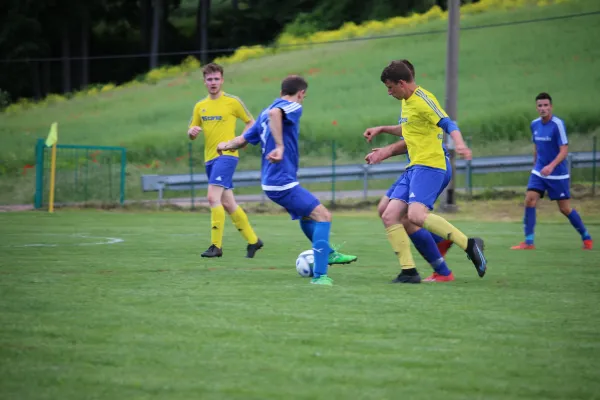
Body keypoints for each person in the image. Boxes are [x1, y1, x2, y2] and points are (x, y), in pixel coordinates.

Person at [216, 75, 357, 286]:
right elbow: (276, 114)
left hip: (273, 181)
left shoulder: (264, 112)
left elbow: (243, 139)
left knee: (308, 217)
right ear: (300, 93)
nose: (303, 100)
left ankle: (328, 253)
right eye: (304, 96)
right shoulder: (290, 107)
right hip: (281, 181)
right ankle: (320, 275)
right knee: (323, 216)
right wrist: (280, 147)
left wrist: (225, 145)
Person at [370, 60, 487, 283]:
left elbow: (448, 123)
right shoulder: (406, 100)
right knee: (389, 214)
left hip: (431, 166)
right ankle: (409, 272)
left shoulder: (424, 99)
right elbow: (409, 130)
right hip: (414, 167)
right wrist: (383, 130)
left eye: (390, 87)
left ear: (402, 83)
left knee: (414, 216)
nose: (388, 92)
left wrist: (460, 144)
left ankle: (469, 244)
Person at [188, 63, 263, 259]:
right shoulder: (200, 106)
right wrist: (192, 132)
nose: (213, 82)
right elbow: (192, 130)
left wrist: (241, 140)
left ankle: (216, 246)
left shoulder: (232, 101)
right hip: (209, 159)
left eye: (216, 79)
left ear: (222, 80)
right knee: (228, 204)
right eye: (209, 79)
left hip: (227, 155)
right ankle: (254, 241)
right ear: (204, 82)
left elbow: (251, 123)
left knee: (212, 198)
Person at [511, 92, 593, 250]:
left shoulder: (558, 125)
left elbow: (564, 150)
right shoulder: (534, 124)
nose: (543, 108)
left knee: (564, 209)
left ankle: (586, 236)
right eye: (540, 106)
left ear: (551, 107)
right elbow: (536, 146)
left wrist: (551, 166)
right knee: (529, 200)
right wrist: (536, 164)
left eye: (546, 105)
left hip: (558, 173)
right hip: (540, 171)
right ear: (536, 108)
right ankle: (529, 242)